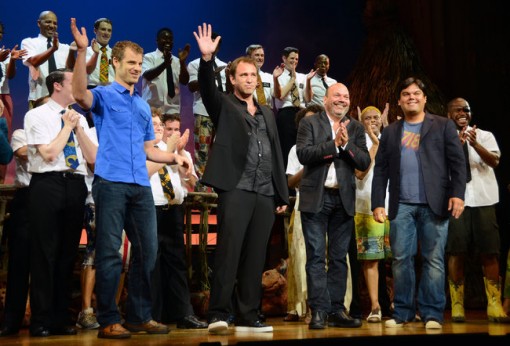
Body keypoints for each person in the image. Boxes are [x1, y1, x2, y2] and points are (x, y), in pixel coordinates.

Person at [71, 18, 191, 339]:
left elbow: (150, 150)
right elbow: (80, 94)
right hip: (111, 184)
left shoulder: (141, 105)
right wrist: (83, 52)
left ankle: (139, 315)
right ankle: (108, 318)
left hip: (140, 188)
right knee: (109, 254)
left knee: (147, 253)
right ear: (116, 63)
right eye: (131, 63)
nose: (137, 68)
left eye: (140, 63)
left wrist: (175, 155)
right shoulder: (104, 95)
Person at [192, 23, 288, 334]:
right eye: (243, 75)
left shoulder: (266, 113)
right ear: (232, 79)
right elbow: (207, 89)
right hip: (236, 187)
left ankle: (249, 314)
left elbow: (276, 153)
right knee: (229, 251)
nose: (249, 79)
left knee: (256, 256)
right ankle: (219, 313)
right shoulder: (224, 105)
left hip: (263, 192)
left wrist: (281, 194)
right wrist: (207, 61)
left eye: (252, 76)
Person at [371, 77, 466, 330]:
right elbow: (380, 170)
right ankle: (402, 312)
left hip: (435, 203)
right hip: (401, 205)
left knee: (433, 259)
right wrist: (377, 203)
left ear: (424, 99)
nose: (411, 97)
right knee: (401, 259)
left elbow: (458, 164)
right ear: (400, 101)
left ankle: (432, 313)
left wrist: (458, 194)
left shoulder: (443, 126)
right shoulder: (391, 131)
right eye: (405, 94)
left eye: (416, 93)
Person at [24, 68, 98, 337]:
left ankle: (60, 317)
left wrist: (77, 127)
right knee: (46, 253)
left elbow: (93, 158)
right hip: (48, 184)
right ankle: (40, 320)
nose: (79, 87)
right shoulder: (37, 114)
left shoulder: (79, 118)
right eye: (73, 82)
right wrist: (66, 126)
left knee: (68, 254)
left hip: (75, 184)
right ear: (57, 86)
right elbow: (48, 153)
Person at [296, 82, 370, 330]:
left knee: (339, 258)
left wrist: (347, 145)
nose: (342, 99)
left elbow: (364, 161)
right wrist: (334, 145)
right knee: (316, 256)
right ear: (326, 99)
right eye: (337, 95)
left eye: (346, 96)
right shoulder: (310, 123)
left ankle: (337, 310)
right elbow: (303, 155)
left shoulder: (356, 128)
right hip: (316, 197)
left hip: (343, 200)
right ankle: (319, 310)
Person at [445, 97, 509, 323]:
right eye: (457, 110)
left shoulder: (485, 135)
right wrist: (458, 145)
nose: (463, 112)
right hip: (457, 203)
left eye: (467, 109)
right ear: (448, 114)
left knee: (490, 252)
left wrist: (474, 144)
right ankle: (457, 304)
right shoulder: (443, 138)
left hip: (484, 200)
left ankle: (493, 303)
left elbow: (495, 162)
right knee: (456, 252)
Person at [147, 110, 206, 328]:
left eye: (170, 128)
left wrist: (181, 158)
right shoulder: (145, 149)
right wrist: (172, 150)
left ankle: (183, 313)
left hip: (173, 209)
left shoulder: (178, 152)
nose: (163, 130)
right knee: (152, 264)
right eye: (159, 126)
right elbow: (147, 173)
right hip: (151, 208)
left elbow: (190, 182)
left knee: (176, 263)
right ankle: (152, 314)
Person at [284, 104, 324, 323]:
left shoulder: (332, 145)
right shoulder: (295, 149)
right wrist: (308, 165)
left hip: (329, 203)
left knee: (327, 256)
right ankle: (304, 306)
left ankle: (329, 306)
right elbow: (290, 182)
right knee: (302, 256)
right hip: (305, 202)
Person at [354, 105, 392, 323]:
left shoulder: (390, 139)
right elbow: (359, 173)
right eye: (366, 118)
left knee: (395, 259)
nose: (372, 121)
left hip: (392, 208)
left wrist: (384, 134)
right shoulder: (359, 142)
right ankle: (375, 306)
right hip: (365, 207)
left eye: (375, 117)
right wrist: (375, 144)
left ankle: (397, 304)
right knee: (372, 259)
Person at [187, 31, 226, 192]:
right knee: (201, 153)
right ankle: (201, 192)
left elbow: (226, 91)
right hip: (203, 112)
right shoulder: (195, 64)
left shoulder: (224, 66)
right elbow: (191, 86)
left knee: (220, 152)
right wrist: (209, 73)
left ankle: (219, 191)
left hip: (221, 113)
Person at [21, 11, 74, 108]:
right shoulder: (29, 43)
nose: (52, 25)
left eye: (55, 23)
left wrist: (73, 52)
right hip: (40, 98)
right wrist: (52, 49)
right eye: (48, 22)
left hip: (63, 99)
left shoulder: (65, 48)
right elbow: (33, 62)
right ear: (39, 23)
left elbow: (71, 70)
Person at [142, 28, 190, 113]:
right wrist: (165, 64)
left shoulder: (177, 61)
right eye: (164, 38)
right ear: (157, 40)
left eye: (170, 39)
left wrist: (182, 63)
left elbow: (184, 81)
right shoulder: (149, 57)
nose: (168, 41)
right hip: (152, 109)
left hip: (173, 110)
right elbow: (147, 75)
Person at [274, 47, 306, 170]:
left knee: (302, 146)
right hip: (286, 114)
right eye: (292, 58)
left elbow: (307, 99)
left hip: (302, 113)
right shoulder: (278, 76)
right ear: (284, 58)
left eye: (296, 59)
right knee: (287, 149)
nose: (294, 61)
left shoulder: (302, 77)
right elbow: (280, 95)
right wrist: (292, 80)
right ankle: (287, 185)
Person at [0, 21, 28, 137]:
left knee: (5, 135)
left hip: (4, 95)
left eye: (0, 32)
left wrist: (11, 60)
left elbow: (10, 75)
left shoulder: (3, 53)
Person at [85, 18, 115, 87]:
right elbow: (86, 70)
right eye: (103, 29)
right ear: (95, 31)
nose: (106, 33)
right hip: (92, 89)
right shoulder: (86, 51)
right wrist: (96, 54)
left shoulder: (115, 53)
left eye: (109, 30)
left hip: (111, 90)